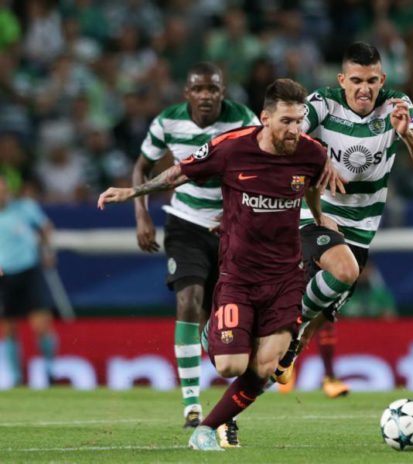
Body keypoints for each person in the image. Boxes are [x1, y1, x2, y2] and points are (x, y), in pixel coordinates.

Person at [98, 78, 340, 451]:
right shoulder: (231, 147)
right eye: (286, 121)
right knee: (231, 366)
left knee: (266, 367)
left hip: (285, 277)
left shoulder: (312, 152)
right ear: (265, 119)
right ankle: (213, 331)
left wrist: (320, 216)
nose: (294, 129)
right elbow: (179, 172)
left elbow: (311, 187)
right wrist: (134, 192)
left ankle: (206, 429)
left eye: (299, 120)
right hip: (238, 276)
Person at [274, 42, 413, 397]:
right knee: (332, 277)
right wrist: (318, 157)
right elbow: (286, 139)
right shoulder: (323, 102)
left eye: (371, 81)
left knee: (319, 317)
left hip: (361, 230)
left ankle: (290, 342)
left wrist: (407, 135)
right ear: (342, 80)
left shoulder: (397, 105)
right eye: (356, 81)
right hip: (318, 214)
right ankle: (282, 328)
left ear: (382, 80)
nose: (364, 89)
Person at [132, 62, 259, 428]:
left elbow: (261, 167)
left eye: (212, 89)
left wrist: (239, 211)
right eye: (199, 89)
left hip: (230, 229)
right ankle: (191, 405)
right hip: (185, 222)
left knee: (218, 320)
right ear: (187, 93)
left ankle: (225, 401)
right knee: (188, 299)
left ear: (222, 92)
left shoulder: (244, 120)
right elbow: (141, 167)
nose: (205, 96)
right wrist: (142, 215)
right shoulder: (167, 122)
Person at [0, 176, 58, 387]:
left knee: (41, 324)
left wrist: (47, 251)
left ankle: (50, 371)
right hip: (4, 276)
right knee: (7, 328)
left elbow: (45, 227)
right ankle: (16, 378)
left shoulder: (25, 207)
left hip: (29, 270)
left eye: (3, 189)